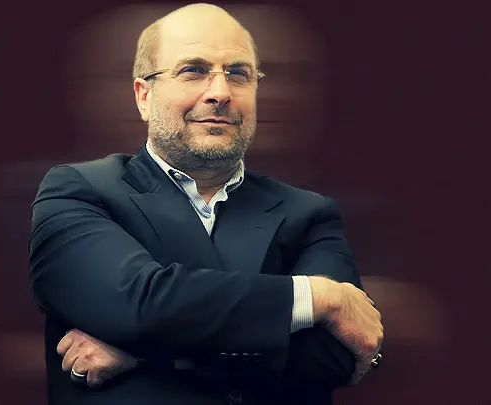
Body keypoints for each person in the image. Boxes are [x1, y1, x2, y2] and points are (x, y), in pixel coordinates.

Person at [28, 3, 383, 404]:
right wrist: (315, 297)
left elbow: (334, 354)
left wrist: (143, 353)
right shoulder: (80, 191)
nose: (220, 93)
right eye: (193, 71)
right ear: (144, 96)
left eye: (238, 74)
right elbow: (141, 301)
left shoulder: (309, 213)